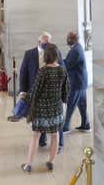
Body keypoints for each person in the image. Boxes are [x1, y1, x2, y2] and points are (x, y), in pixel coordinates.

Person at [20, 43, 69, 173]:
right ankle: (51, 162)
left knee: (35, 136)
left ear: (46, 56)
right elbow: (66, 91)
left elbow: (35, 92)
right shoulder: (62, 70)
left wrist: (24, 98)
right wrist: (62, 101)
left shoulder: (43, 71)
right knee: (55, 135)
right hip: (56, 109)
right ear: (57, 56)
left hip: (41, 110)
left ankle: (29, 164)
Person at [18, 31, 63, 149]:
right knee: (39, 118)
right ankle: (42, 140)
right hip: (36, 92)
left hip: (53, 93)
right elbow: (23, 73)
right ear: (39, 41)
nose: (47, 43)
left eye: (49, 41)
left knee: (56, 121)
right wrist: (23, 90)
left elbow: (62, 69)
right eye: (45, 40)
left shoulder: (56, 52)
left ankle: (59, 144)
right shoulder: (29, 53)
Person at [62, 31, 90, 134]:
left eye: (68, 38)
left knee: (71, 104)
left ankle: (66, 127)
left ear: (72, 39)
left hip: (77, 83)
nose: (67, 40)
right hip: (81, 82)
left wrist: (59, 61)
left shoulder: (76, 50)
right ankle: (85, 125)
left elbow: (68, 65)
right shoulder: (77, 48)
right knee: (82, 105)